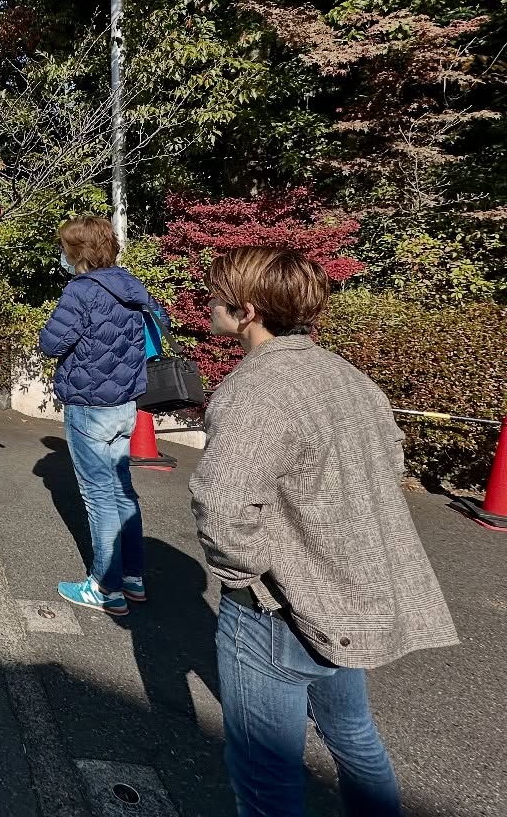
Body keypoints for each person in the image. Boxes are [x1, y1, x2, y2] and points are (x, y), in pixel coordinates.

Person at [192, 247, 457, 817]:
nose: (205, 304)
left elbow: (224, 506)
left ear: (248, 310)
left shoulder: (254, 389)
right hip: (351, 590)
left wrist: (245, 575)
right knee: (355, 738)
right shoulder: (346, 376)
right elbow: (388, 460)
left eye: (213, 295)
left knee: (267, 780)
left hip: (277, 603)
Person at [39, 215, 168, 616]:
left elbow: (51, 342)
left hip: (89, 404)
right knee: (122, 490)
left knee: (98, 498)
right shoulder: (132, 285)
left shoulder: (81, 291)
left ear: (76, 251)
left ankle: (104, 587)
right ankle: (132, 577)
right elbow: (158, 326)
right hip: (126, 404)